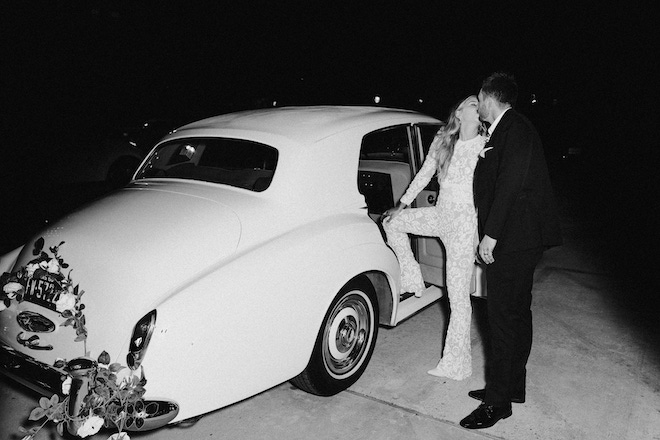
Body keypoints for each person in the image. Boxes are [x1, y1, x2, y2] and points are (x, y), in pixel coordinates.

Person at [460, 72, 562, 429]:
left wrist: (491, 235)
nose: (477, 103)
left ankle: (497, 403)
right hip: (519, 237)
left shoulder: (514, 128)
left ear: (490, 98)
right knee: (516, 314)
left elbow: (510, 184)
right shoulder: (507, 129)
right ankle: (510, 386)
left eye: (479, 97)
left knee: (503, 318)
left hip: (514, 238)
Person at [382, 95, 486, 381]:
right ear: (460, 111)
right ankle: (413, 276)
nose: (478, 106)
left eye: (480, 104)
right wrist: (402, 204)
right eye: (472, 103)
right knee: (393, 222)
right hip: (440, 214)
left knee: (458, 295)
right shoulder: (443, 141)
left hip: (465, 224)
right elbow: (424, 173)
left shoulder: (484, 145)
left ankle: (457, 363)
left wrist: (484, 232)